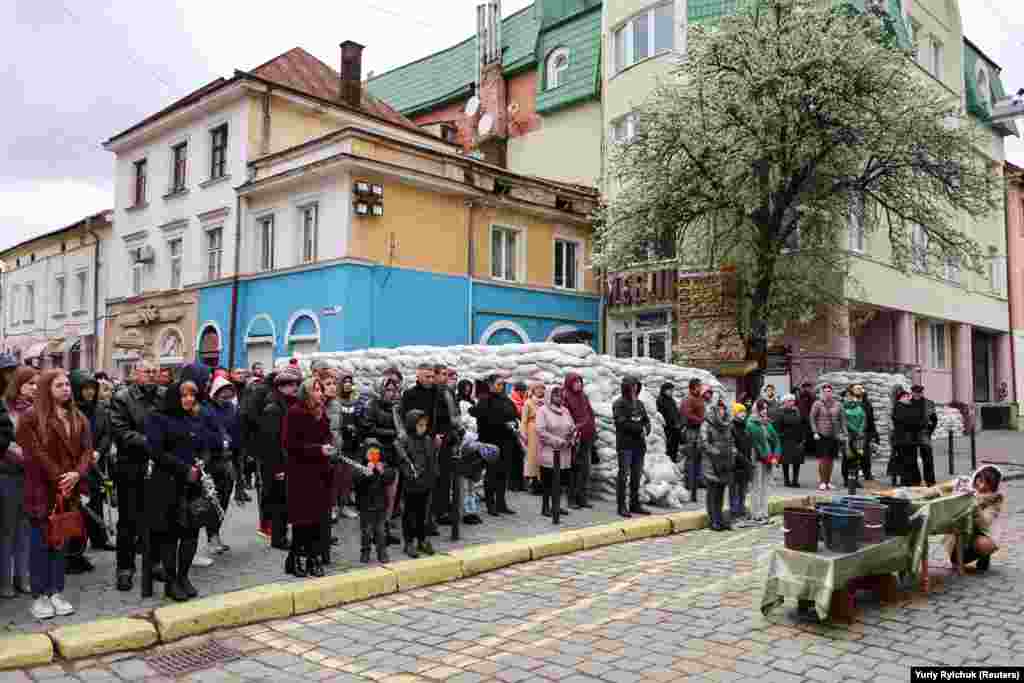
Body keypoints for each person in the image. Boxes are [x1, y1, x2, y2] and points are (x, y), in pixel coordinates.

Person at [18, 369, 93, 619]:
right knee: (40, 543)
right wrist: (61, 476)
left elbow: (87, 451)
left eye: (68, 385)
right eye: (59, 385)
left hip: (68, 489)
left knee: (60, 542)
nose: (66, 389)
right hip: (41, 489)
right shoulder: (31, 418)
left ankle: (56, 591)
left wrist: (77, 475)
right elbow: (35, 453)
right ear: (47, 388)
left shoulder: (79, 417)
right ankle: (39, 596)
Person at [144, 380, 219, 601]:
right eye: (184, 395)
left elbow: (206, 446)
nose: (189, 399)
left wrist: (201, 465)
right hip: (168, 483)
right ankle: (171, 580)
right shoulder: (158, 418)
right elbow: (156, 451)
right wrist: (185, 468)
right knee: (170, 535)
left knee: (191, 533)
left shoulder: (194, 418)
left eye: (192, 395)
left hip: (193, 484)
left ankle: (184, 576)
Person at [109, 361, 165, 592]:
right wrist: (150, 441)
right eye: (147, 371)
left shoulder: (164, 394)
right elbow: (121, 432)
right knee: (128, 521)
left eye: (154, 371)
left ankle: (154, 563)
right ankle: (125, 568)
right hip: (131, 466)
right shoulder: (122, 397)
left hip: (159, 466)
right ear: (136, 374)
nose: (151, 375)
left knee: (157, 518)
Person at [283, 378, 333, 578]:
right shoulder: (294, 413)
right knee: (302, 520)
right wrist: (318, 449)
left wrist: (328, 445)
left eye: (320, 389)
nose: (320, 392)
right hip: (301, 473)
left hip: (321, 471)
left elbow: (327, 435)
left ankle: (314, 558)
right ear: (306, 393)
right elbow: (290, 445)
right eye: (316, 389)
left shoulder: (322, 413)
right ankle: (294, 557)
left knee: (317, 519)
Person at [70, 371, 115, 569]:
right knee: (80, 505)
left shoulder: (101, 409)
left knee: (96, 500)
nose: (89, 392)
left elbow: (107, 433)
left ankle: (99, 537)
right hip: (78, 464)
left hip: (96, 462)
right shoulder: (71, 410)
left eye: (91, 388)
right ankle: (76, 547)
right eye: (85, 388)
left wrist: (98, 452)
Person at [401, 364, 456, 526]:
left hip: (441, 440)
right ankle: (424, 518)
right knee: (423, 481)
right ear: (418, 377)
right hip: (419, 443)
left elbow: (447, 417)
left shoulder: (440, 394)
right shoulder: (410, 394)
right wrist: (428, 436)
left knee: (442, 477)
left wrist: (442, 435)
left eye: (432, 376)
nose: (431, 380)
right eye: (427, 377)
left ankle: (441, 511)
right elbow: (409, 420)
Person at [254, 368, 302, 550]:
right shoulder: (273, 408)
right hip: (277, 463)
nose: (295, 388)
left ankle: (281, 535)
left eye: (296, 384)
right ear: (281, 387)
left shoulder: (287, 404)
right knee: (279, 502)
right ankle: (278, 538)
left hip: (285, 461)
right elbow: (272, 442)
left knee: (284, 500)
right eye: (291, 385)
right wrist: (278, 468)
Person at [0, 355, 30, 598]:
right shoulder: (3, 407)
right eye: (6, 372)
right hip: (7, 474)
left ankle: (23, 577)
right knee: (7, 530)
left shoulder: (29, 409)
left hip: (28, 475)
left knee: (25, 528)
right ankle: (5, 581)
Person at [363, 376, 404, 546]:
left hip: (395, 454)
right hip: (379, 454)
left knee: (391, 496)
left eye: (394, 390)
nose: (392, 393)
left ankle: (385, 528)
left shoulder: (397, 408)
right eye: (388, 390)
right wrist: (392, 434)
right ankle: (375, 531)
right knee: (378, 496)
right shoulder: (372, 406)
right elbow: (368, 428)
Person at [471, 375, 520, 516]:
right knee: (492, 474)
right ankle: (490, 505)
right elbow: (481, 417)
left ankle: (501, 503)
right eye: (498, 384)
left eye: (502, 384)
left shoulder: (506, 399)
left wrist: (514, 424)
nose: (501, 387)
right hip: (492, 442)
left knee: (503, 474)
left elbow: (515, 415)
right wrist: (502, 424)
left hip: (507, 442)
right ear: (491, 385)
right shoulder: (485, 400)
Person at [945, 465, 1004, 572]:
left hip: (981, 533)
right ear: (976, 477)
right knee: (955, 559)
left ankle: (984, 555)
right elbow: (941, 488)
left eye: (987, 485)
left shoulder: (995, 499)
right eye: (980, 480)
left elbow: (985, 523)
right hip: (959, 534)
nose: (981, 486)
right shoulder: (964, 483)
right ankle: (960, 557)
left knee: (984, 544)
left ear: (993, 487)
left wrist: (974, 503)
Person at [206, 375, 241, 554]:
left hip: (228, 460)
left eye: (228, 396)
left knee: (224, 500)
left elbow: (237, 431)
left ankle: (215, 534)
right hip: (211, 460)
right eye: (222, 396)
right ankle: (211, 536)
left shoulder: (232, 409)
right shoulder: (206, 409)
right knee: (211, 500)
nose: (225, 399)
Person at [399, 409, 437, 558]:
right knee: (409, 514)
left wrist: (432, 475)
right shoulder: (406, 440)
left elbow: (431, 459)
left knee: (423, 514)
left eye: (425, 425)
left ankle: (422, 540)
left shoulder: (427, 440)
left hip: (425, 483)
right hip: (411, 484)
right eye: (420, 425)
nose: (423, 428)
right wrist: (410, 474)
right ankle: (408, 542)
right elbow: (403, 462)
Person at [536, 385, 576, 520]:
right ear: (549, 396)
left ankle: (557, 506)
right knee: (548, 481)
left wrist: (572, 436)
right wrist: (557, 440)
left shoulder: (565, 410)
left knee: (561, 482)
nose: (559, 397)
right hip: (549, 451)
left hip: (564, 452)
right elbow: (541, 431)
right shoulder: (542, 411)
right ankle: (546, 507)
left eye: (560, 394)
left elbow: (571, 426)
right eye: (555, 395)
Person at [613, 376, 651, 518]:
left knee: (636, 475)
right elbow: (621, 423)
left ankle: (634, 503)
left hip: (639, 446)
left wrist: (647, 428)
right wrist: (638, 428)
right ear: (626, 387)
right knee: (623, 476)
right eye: (632, 385)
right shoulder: (619, 404)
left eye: (636, 385)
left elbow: (646, 420)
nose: (634, 388)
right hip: (625, 445)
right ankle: (621, 506)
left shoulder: (640, 404)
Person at [700, 397, 735, 531]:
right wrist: (715, 451)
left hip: (724, 463)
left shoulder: (727, 424)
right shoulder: (707, 424)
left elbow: (731, 440)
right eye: (719, 409)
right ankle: (713, 520)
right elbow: (704, 443)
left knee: (721, 492)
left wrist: (732, 451)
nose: (722, 411)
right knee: (712, 492)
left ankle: (720, 519)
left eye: (723, 409)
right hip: (711, 463)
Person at [563, 373, 596, 509]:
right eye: (575, 382)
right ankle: (571, 500)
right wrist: (575, 429)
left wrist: (592, 428)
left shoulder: (583, 396)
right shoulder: (566, 396)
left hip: (587, 436)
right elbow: (565, 416)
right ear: (569, 383)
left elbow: (590, 413)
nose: (579, 384)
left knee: (585, 469)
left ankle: (582, 498)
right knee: (574, 470)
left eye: (580, 382)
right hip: (574, 438)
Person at [746, 399, 780, 525]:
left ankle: (764, 512)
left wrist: (776, 456)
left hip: (769, 458)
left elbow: (776, 440)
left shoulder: (767, 423)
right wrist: (769, 458)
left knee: (766, 487)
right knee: (757, 487)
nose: (765, 411)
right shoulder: (751, 423)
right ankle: (756, 513)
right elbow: (757, 444)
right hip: (757, 459)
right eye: (762, 408)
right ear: (757, 409)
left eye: (766, 408)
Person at [810, 384, 846, 491]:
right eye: (825, 391)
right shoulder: (817, 404)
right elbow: (812, 418)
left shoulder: (838, 404)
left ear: (832, 392)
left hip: (834, 434)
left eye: (829, 391)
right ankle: (822, 481)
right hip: (821, 434)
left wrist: (844, 432)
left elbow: (842, 419)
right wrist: (815, 431)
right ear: (822, 393)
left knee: (831, 459)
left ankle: (828, 481)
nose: (827, 393)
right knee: (823, 459)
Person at [773, 393, 806, 488]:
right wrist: (780, 436)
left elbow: (801, 424)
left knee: (797, 460)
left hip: (796, 439)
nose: (792, 403)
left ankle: (795, 480)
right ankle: (786, 480)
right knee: (785, 461)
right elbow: (777, 427)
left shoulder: (797, 411)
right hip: (785, 439)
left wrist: (802, 439)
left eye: (793, 401)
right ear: (784, 402)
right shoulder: (780, 412)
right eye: (790, 401)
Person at [679, 378, 707, 491]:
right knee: (691, 456)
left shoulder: (699, 398)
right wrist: (699, 420)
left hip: (698, 430)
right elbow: (686, 414)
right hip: (691, 430)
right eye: (699, 386)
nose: (701, 388)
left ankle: (698, 480)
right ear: (694, 387)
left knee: (699, 456)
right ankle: (689, 482)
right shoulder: (688, 399)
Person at [891, 389, 921, 486]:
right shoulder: (899, 407)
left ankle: (914, 479)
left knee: (912, 460)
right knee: (905, 461)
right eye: (907, 397)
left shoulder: (910, 406)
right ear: (902, 398)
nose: (909, 398)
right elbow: (902, 421)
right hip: (903, 439)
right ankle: (907, 481)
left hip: (911, 439)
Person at [909, 385, 938, 486]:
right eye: (915, 392)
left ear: (922, 393)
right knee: (911, 458)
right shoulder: (907, 403)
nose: (917, 394)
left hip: (924, 433)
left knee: (928, 458)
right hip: (910, 433)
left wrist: (930, 431)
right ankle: (915, 480)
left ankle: (930, 481)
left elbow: (934, 419)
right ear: (912, 393)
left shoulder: (929, 403)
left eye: (919, 392)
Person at [729, 403, 752, 525]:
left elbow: (748, 445)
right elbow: (733, 447)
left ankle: (741, 511)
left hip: (745, 463)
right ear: (735, 413)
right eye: (740, 412)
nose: (743, 414)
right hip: (735, 464)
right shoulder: (731, 427)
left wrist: (748, 460)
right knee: (734, 490)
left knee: (743, 490)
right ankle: (734, 514)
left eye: (744, 412)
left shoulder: (745, 427)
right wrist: (744, 460)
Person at [520, 383, 545, 495]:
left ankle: (542, 482)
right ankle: (534, 483)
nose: (540, 391)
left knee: (543, 457)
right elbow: (524, 420)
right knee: (533, 457)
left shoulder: (546, 403)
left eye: (542, 388)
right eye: (538, 388)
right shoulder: (528, 403)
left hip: (543, 432)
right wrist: (524, 434)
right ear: (533, 390)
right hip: (532, 432)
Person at [842, 389, 867, 490]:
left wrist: (860, 430)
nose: (850, 398)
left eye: (851, 396)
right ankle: (846, 479)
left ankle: (855, 479)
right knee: (847, 457)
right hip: (848, 434)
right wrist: (855, 429)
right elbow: (844, 420)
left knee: (857, 458)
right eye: (848, 396)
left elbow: (863, 419)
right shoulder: (843, 408)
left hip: (858, 436)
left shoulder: (859, 408)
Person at [657, 383, 682, 464]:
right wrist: (671, 424)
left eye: (672, 390)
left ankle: (673, 461)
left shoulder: (671, 400)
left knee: (675, 447)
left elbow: (675, 412)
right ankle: (670, 463)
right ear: (664, 390)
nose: (671, 392)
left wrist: (679, 423)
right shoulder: (660, 400)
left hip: (675, 428)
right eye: (670, 390)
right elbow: (663, 415)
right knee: (669, 448)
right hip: (668, 429)